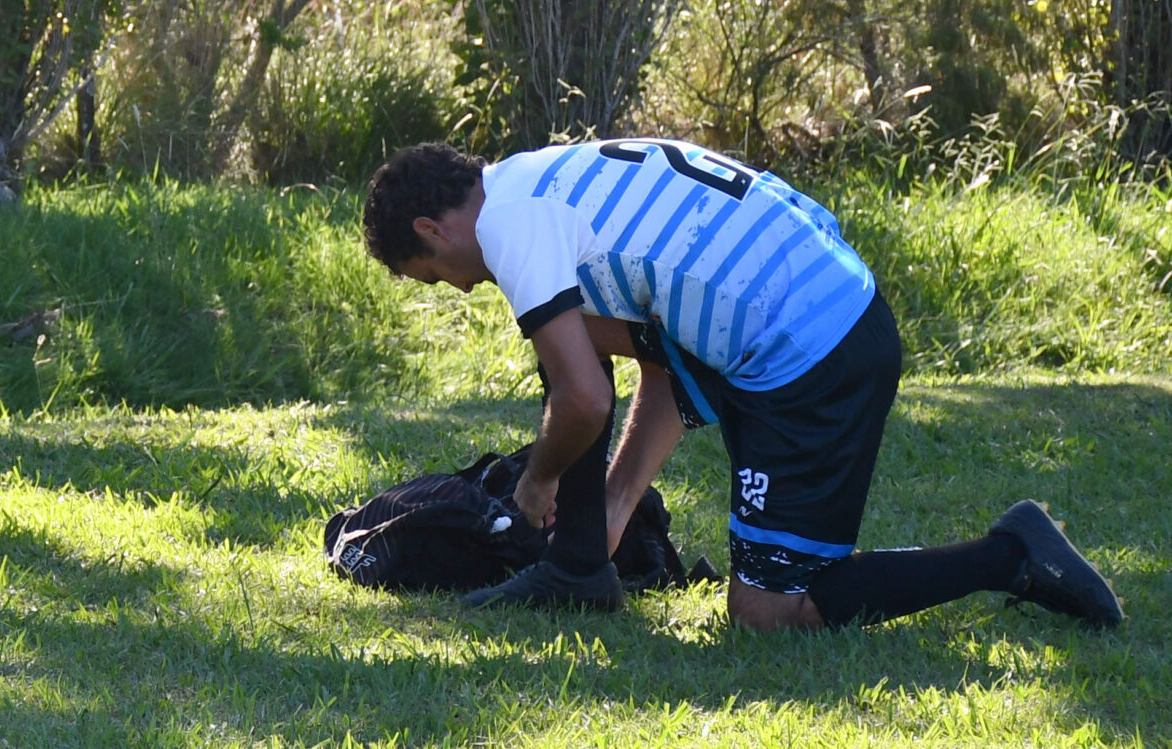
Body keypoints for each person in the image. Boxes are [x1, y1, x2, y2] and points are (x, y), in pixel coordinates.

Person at [361, 139, 1125, 632]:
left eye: (431, 275)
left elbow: (585, 399)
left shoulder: (508, 227)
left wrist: (536, 483)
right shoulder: (537, 178)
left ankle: (1009, 554)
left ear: (432, 229)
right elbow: (662, 356)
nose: (457, 287)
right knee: (570, 335)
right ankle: (579, 568)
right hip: (816, 304)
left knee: (767, 613)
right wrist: (615, 506)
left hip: (815, 351)